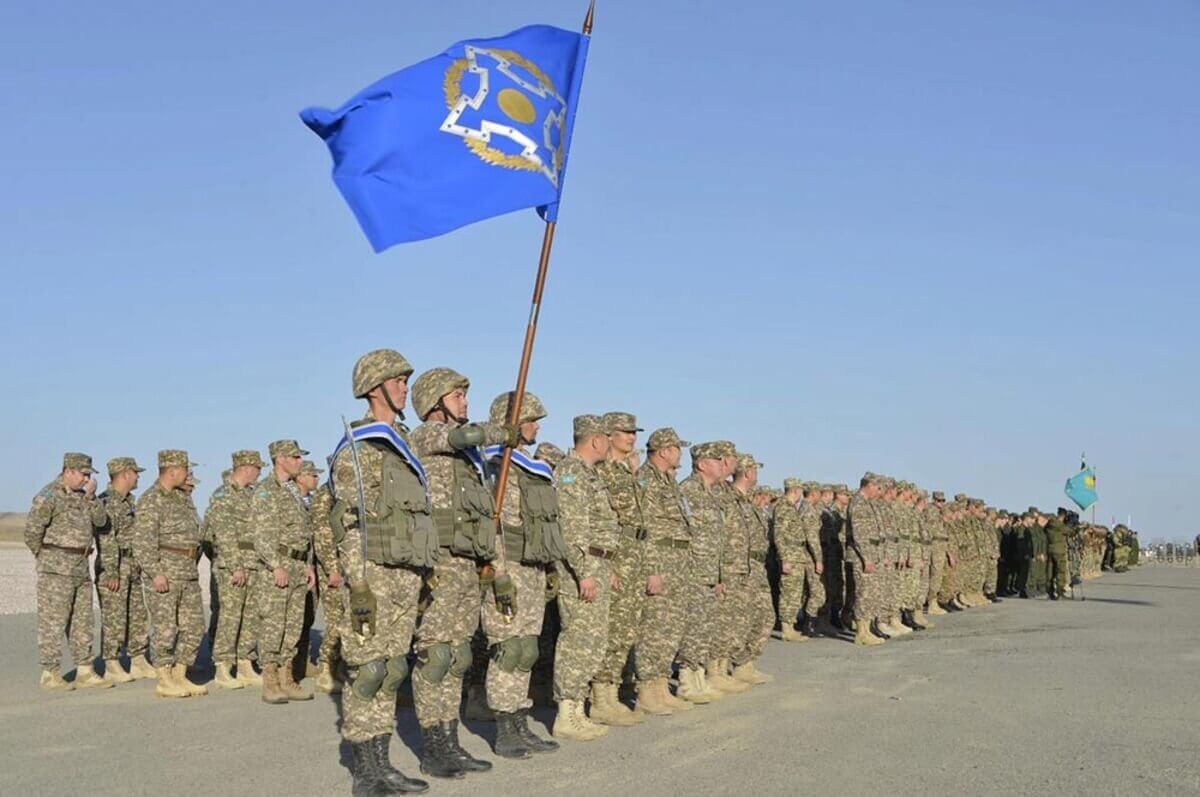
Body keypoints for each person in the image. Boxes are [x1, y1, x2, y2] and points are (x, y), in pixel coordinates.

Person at [332, 349, 435, 795]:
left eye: (406, 380)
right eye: (397, 380)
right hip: (372, 574)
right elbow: (349, 522)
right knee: (369, 669)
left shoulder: (405, 443)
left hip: (405, 573)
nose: (404, 387)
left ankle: (382, 762)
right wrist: (357, 583)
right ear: (374, 388)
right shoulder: (361, 448)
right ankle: (365, 770)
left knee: (392, 668)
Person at [409, 367, 513, 777]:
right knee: (435, 654)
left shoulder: (467, 459)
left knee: (457, 656)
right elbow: (465, 435)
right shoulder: (427, 435)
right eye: (457, 395)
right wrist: (502, 430)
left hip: (468, 560)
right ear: (436, 401)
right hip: (439, 560)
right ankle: (433, 745)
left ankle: (450, 741)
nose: (465, 402)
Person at [480, 391, 564, 757]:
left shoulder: (528, 467)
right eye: (530, 419)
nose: (537, 426)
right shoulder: (493, 467)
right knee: (509, 649)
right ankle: (504, 728)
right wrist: (498, 573)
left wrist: (548, 567)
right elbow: (490, 526)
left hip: (531, 567)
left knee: (528, 649)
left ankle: (519, 722)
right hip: (508, 568)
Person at [551, 414, 620, 740]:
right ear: (595, 440)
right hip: (582, 570)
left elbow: (601, 528)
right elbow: (573, 528)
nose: (611, 443)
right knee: (579, 641)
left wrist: (608, 568)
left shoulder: (591, 474)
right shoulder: (570, 472)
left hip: (597, 567)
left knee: (593, 642)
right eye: (607, 437)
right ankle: (566, 713)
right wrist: (585, 573)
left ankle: (577, 709)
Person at [26, 452, 111, 691]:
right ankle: (50, 673)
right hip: (55, 569)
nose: (86, 479)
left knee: (83, 620)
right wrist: (47, 558)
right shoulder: (49, 495)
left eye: (88, 475)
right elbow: (32, 532)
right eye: (84, 475)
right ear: (68, 471)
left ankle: (85, 669)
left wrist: (92, 498)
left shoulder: (84, 496)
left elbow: (102, 521)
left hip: (80, 566)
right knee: (53, 621)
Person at [132, 449, 209, 698]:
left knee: (194, 625)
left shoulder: (181, 498)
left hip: (187, 572)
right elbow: (143, 542)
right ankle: (164, 678)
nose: (188, 474)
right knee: (165, 628)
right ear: (172, 470)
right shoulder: (151, 499)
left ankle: (180, 674)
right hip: (165, 572)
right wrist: (155, 572)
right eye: (185, 469)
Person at [593, 412, 651, 725]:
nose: (632, 438)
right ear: (609, 435)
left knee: (628, 627)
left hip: (635, 555)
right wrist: (609, 565)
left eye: (633, 433)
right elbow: (601, 521)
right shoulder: (602, 471)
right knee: (612, 629)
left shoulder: (628, 472)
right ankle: (601, 697)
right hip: (616, 555)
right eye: (626, 432)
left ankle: (612, 691)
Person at [633, 427, 696, 712]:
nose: (680, 453)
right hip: (660, 560)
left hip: (679, 562)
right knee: (654, 628)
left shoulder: (670, 483)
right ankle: (647, 689)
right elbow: (643, 530)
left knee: (672, 627)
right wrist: (652, 569)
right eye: (677, 448)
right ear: (664, 451)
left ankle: (660, 685)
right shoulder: (645, 480)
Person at [252, 439, 316, 704]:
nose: (300, 462)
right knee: (274, 624)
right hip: (278, 566)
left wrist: (308, 564)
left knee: (293, 624)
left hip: (298, 566)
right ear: (280, 458)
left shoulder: (291, 491)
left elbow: (303, 532)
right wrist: (275, 565)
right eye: (295, 457)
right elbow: (262, 534)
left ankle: (287, 678)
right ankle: (270, 682)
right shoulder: (266, 491)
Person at [202, 450, 265, 689]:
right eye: (257, 468)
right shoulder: (223, 495)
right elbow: (223, 534)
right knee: (230, 617)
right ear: (246, 467)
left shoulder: (252, 495)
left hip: (253, 563)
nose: (259, 473)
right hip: (233, 566)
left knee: (251, 617)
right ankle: (223, 666)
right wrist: (234, 565)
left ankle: (246, 662)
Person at [675, 443, 731, 702]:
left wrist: (718, 576)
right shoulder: (688, 490)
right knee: (693, 626)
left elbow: (717, 539)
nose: (723, 464)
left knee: (705, 626)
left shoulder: (711, 494)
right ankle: (686, 680)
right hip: (693, 570)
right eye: (717, 459)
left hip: (709, 572)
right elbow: (685, 534)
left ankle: (698, 676)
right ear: (702, 464)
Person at [94, 456, 154, 683]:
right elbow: (106, 539)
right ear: (125, 474)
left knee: (137, 614)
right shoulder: (107, 502)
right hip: (115, 566)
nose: (138, 476)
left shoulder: (129, 501)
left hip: (132, 565)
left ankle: (138, 659)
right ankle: (111, 662)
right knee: (114, 617)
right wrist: (111, 571)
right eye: (135, 472)